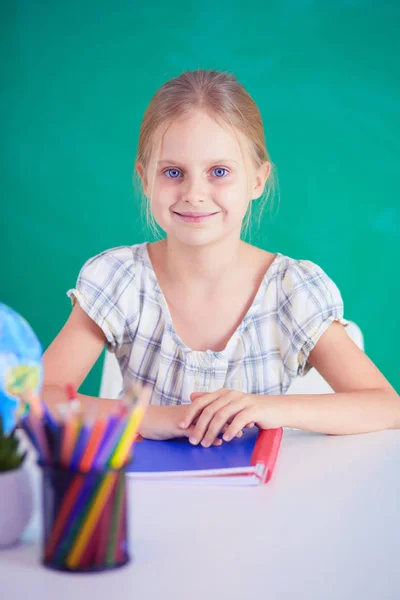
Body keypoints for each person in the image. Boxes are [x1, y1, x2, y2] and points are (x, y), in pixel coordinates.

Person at [43, 69, 399, 447]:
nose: (195, 193)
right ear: (145, 179)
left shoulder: (291, 291)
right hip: (146, 500)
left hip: (263, 502)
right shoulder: (119, 280)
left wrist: (267, 408)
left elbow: (387, 406)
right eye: (173, 172)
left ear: (257, 181)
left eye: (219, 172)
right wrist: (157, 419)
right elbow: (37, 397)